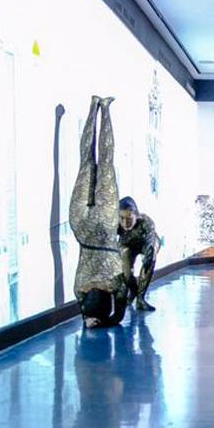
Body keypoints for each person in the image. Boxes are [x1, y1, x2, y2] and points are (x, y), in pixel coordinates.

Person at [70, 96, 127, 328]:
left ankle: (103, 107)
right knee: (87, 162)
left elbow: (119, 315)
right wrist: (93, 320)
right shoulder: (80, 287)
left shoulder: (116, 284)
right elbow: (89, 310)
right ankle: (96, 106)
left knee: (105, 162)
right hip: (82, 226)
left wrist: (108, 319)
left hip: (104, 227)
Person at [117, 196, 160, 311]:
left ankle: (141, 299)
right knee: (126, 272)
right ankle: (134, 291)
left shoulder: (146, 221)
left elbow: (151, 241)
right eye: (122, 218)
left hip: (146, 243)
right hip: (127, 244)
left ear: (137, 216)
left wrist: (149, 257)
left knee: (151, 256)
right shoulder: (115, 224)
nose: (125, 223)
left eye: (129, 219)